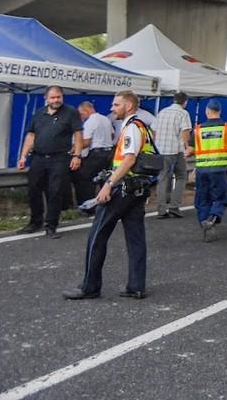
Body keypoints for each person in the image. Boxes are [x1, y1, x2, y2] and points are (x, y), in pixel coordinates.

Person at [63, 90, 154, 300]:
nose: (112, 109)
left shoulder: (131, 127)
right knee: (136, 238)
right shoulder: (143, 127)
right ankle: (136, 285)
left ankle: (90, 286)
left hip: (122, 187)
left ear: (128, 106)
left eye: (116, 105)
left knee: (97, 235)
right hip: (137, 189)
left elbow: (129, 159)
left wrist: (108, 184)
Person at [17, 86, 84, 238]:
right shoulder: (39, 113)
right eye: (53, 98)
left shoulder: (70, 112)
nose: (56, 100)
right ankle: (35, 221)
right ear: (46, 98)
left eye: (58, 97)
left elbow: (78, 135)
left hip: (59, 158)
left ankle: (51, 225)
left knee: (55, 191)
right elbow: (31, 136)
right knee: (33, 189)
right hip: (38, 157)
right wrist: (23, 156)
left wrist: (77, 156)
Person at [191, 99, 227, 241]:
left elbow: (190, 150)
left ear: (207, 111)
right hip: (219, 169)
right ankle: (212, 218)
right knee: (220, 198)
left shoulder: (198, 129)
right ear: (220, 112)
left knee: (202, 200)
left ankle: (206, 227)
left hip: (202, 171)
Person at [152, 92, 192, 218]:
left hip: (160, 150)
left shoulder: (162, 112)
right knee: (181, 175)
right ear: (185, 102)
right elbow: (185, 131)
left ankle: (161, 210)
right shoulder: (183, 113)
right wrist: (187, 146)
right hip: (176, 149)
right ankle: (174, 206)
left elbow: (154, 130)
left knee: (162, 178)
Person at [74, 102, 115, 208]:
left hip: (96, 154)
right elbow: (112, 134)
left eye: (81, 114)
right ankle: (105, 204)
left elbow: (86, 142)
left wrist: (74, 148)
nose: (81, 116)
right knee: (104, 179)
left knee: (86, 180)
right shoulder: (106, 119)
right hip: (109, 152)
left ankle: (88, 206)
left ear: (86, 111)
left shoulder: (90, 122)